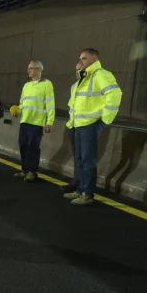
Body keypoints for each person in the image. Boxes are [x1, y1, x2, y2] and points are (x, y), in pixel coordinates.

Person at [65, 48, 122, 206]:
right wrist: (72, 123)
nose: (81, 61)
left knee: (88, 160)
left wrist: (106, 118)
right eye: (80, 58)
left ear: (94, 59)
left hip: (90, 125)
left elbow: (115, 94)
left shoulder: (101, 74)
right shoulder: (83, 79)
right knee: (80, 159)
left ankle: (87, 194)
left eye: (84, 58)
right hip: (78, 125)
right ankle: (80, 189)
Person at [11, 60, 55, 182]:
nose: (28, 70)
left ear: (39, 70)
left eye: (31, 68)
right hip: (24, 120)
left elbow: (50, 104)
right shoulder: (26, 85)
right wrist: (17, 110)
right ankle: (24, 170)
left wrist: (49, 121)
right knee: (23, 145)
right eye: (28, 68)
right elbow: (22, 103)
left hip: (37, 122)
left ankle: (32, 172)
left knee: (33, 147)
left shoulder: (47, 84)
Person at [64, 62, 83, 195]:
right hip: (74, 126)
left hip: (86, 126)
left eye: (80, 69)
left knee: (85, 158)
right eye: (76, 70)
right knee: (77, 157)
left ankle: (84, 188)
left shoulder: (92, 85)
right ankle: (76, 182)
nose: (77, 72)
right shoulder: (74, 86)